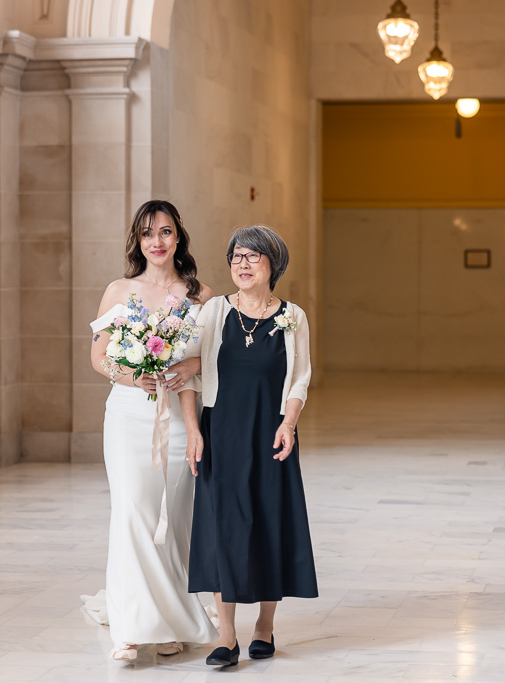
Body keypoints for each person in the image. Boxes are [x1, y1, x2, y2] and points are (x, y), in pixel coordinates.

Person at [180, 225, 318, 668]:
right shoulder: (214, 311)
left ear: (272, 264)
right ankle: (225, 635)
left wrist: (289, 423)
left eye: (252, 256)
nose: (241, 263)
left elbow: (300, 376)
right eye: (236, 256)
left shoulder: (292, 316)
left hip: (271, 433)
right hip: (221, 430)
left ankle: (264, 625)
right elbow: (187, 374)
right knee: (224, 528)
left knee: (268, 524)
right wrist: (194, 431)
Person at [88, 200, 217, 662]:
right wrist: (130, 376)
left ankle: (169, 622)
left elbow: (218, 358)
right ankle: (128, 626)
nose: (156, 242)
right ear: (137, 240)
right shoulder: (119, 290)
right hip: (128, 415)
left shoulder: (201, 295)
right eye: (147, 234)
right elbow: (99, 356)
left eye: (164, 232)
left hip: (180, 419)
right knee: (130, 514)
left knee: (173, 518)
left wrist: (192, 363)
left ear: (177, 236)